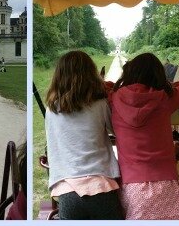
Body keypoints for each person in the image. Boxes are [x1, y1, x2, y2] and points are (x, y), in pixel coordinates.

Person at [109, 53, 179, 220]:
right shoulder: (164, 98)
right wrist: (168, 85)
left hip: (133, 187)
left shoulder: (114, 98)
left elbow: (103, 86)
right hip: (167, 183)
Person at [45, 51, 122, 220]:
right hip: (102, 185)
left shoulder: (52, 109)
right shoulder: (100, 104)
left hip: (67, 189)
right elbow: (117, 131)